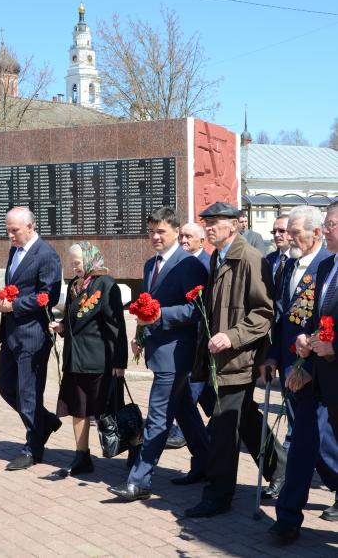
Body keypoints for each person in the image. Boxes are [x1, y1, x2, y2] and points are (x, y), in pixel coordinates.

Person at [186, 201, 287, 518]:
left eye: (215, 221)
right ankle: (281, 468)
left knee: (223, 427)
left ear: (234, 224)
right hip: (221, 358)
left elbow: (264, 312)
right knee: (244, 418)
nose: (209, 227)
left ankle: (218, 494)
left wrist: (232, 336)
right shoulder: (219, 255)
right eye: (207, 222)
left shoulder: (250, 258)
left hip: (239, 358)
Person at [107, 206, 209, 501]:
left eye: (160, 231)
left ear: (176, 231)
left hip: (177, 354)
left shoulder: (189, 265)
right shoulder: (151, 265)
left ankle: (139, 480)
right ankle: (206, 462)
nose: (154, 236)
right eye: (150, 231)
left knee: (158, 416)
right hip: (157, 348)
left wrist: (159, 316)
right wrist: (141, 335)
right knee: (185, 411)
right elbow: (145, 306)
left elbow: (197, 310)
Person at [48, 241, 128, 477]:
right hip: (75, 360)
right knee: (78, 408)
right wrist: (61, 326)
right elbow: (74, 320)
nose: (75, 268)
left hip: (100, 361)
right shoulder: (75, 285)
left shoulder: (106, 284)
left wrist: (119, 362)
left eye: (78, 263)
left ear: (91, 259)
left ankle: (135, 450)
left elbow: (117, 327)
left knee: (110, 410)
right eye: (72, 264)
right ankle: (82, 455)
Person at [0, 207, 62, 470]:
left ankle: (33, 447)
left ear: (30, 227)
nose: (10, 235)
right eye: (8, 230)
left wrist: (16, 305)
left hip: (33, 334)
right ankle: (44, 422)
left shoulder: (46, 255)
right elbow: (16, 287)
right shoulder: (15, 251)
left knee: (29, 391)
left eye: (14, 230)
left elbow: (48, 296)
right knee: (5, 386)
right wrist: (0, 302)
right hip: (11, 333)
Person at [293, 201, 338, 529]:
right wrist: (307, 339)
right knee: (319, 438)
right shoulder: (326, 267)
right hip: (322, 373)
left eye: (333, 224)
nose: (327, 229)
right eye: (326, 223)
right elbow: (320, 317)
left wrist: (334, 345)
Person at [166, 222, 215, 451]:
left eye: (189, 237)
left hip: (200, 338)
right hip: (184, 337)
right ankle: (221, 420)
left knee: (192, 386)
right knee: (202, 390)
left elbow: (202, 307)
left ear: (202, 241)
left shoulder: (206, 264)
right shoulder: (178, 262)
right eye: (182, 236)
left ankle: (181, 431)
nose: (184, 240)